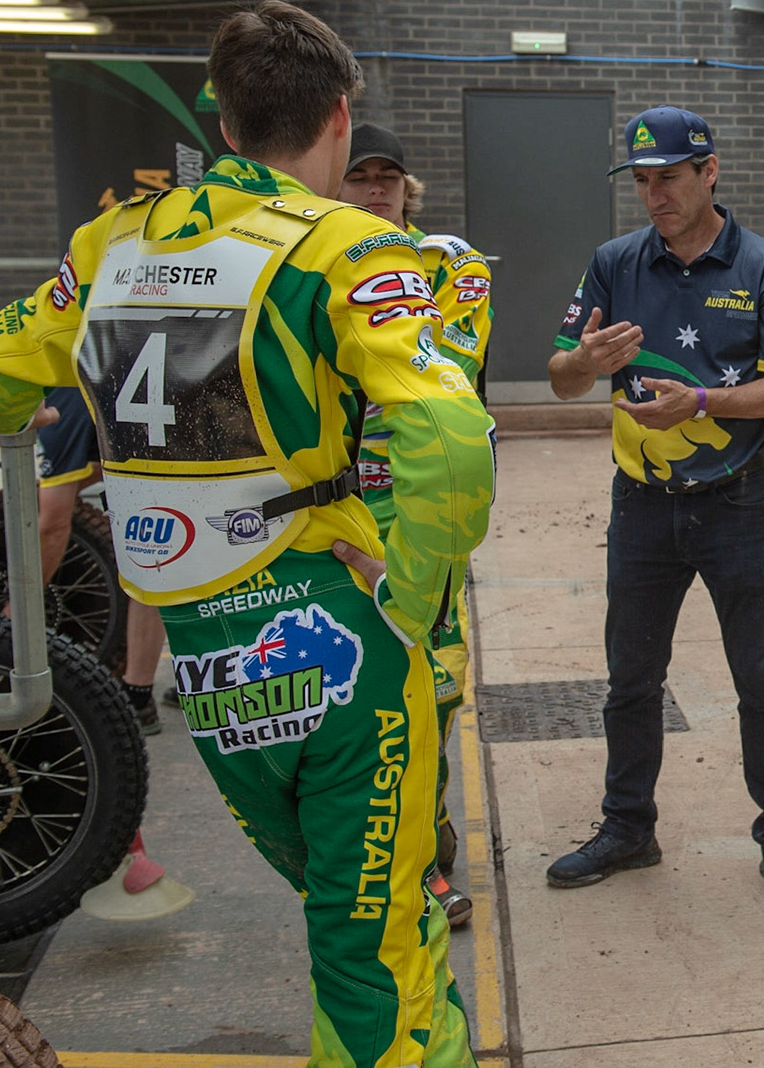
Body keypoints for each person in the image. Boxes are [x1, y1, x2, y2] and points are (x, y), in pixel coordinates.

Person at [0, 0, 495, 1068]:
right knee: (365, 940)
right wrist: (415, 595)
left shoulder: (114, 240)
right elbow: (447, 432)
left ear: (225, 118)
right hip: (336, 636)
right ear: (340, 116)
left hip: (205, 652)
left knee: (361, 914)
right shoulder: (343, 244)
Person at [546, 105, 764, 910]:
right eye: (642, 180)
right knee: (631, 678)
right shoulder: (613, 264)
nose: (654, 194)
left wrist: (700, 400)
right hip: (643, 507)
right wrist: (583, 363)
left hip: (740, 504)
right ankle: (628, 827)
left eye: (669, 178)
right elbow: (560, 374)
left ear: (710, 171)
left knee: (762, 681)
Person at [338, 123, 492, 931]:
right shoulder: (308, 262)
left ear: (407, 189)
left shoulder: (446, 265)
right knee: (349, 690)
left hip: (417, 503)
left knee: (432, 684)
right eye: (358, 175)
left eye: (386, 178)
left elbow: (445, 365)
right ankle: (394, 853)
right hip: (329, 508)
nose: (372, 189)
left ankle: (424, 846)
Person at [36, 385, 170, 734]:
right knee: (156, 560)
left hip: (163, 452)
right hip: (166, 435)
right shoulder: (68, 377)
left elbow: (52, 523)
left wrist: (18, 608)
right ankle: (161, 690)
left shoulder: (58, 403)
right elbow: (87, 467)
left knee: (150, 558)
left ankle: (140, 699)